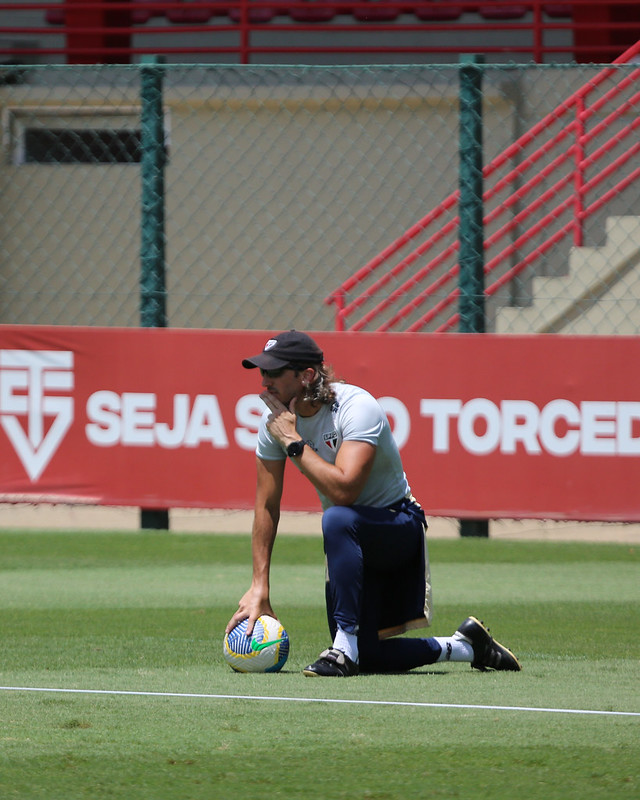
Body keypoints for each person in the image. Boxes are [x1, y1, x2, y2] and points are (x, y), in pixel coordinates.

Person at [226, 330, 521, 677]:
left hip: (397, 526)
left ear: (306, 375)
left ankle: (342, 648)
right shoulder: (274, 426)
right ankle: (466, 646)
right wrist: (259, 586)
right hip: (349, 539)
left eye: (274, 373)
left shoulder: (356, 406)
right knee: (368, 655)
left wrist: (293, 441)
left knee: (336, 518)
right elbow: (266, 506)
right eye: (262, 372)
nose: (264, 382)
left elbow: (345, 491)